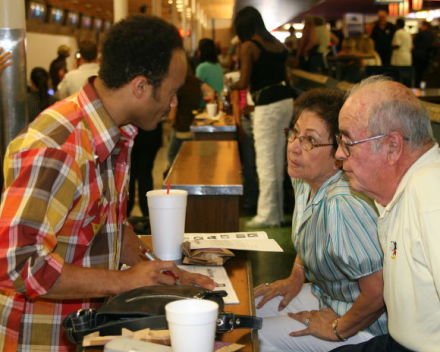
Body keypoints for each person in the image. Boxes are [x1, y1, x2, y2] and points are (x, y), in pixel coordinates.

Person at [0, 15, 215, 351]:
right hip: (45, 338)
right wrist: (126, 281)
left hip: (89, 329)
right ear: (141, 86)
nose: (174, 105)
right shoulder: (60, 145)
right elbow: (18, 263)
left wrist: (152, 270)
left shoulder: (115, 132)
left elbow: (103, 221)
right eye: (171, 93)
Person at [254, 88, 387, 352]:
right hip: (328, 296)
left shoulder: (343, 205)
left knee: (258, 337)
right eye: (294, 134)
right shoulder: (305, 181)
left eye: (310, 141)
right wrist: (296, 275)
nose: (293, 147)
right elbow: (310, 234)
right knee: (250, 309)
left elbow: (379, 292)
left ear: (339, 153)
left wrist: (338, 329)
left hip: (367, 326)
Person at [331, 75, 438, 352]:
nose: (339, 155)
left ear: (392, 146)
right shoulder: (404, 189)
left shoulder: (431, 194)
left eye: (348, 142)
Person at [231, 6, 293, 228]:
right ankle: (275, 213)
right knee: (278, 161)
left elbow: (244, 81)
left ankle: (267, 214)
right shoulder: (277, 44)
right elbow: (287, 77)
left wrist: (229, 83)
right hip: (286, 102)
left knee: (265, 161)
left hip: (266, 104)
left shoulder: (249, 46)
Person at [413, 20, 434, 87]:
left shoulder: (420, 34)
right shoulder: (431, 34)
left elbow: (415, 43)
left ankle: (417, 86)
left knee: (418, 73)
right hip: (427, 55)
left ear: (425, 26)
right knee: (424, 73)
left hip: (419, 55)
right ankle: (424, 85)